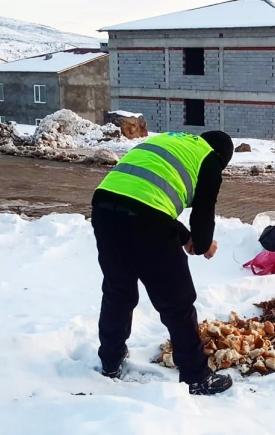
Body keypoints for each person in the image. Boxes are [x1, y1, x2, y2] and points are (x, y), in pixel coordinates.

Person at [91, 130, 234, 396]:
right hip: (146, 222)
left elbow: (151, 196)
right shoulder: (209, 159)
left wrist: (185, 236)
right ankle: (197, 376)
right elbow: (203, 213)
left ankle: (110, 359)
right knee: (177, 302)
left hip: (104, 207)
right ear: (221, 157)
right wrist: (202, 244)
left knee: (117, 290)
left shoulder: (170, 142)